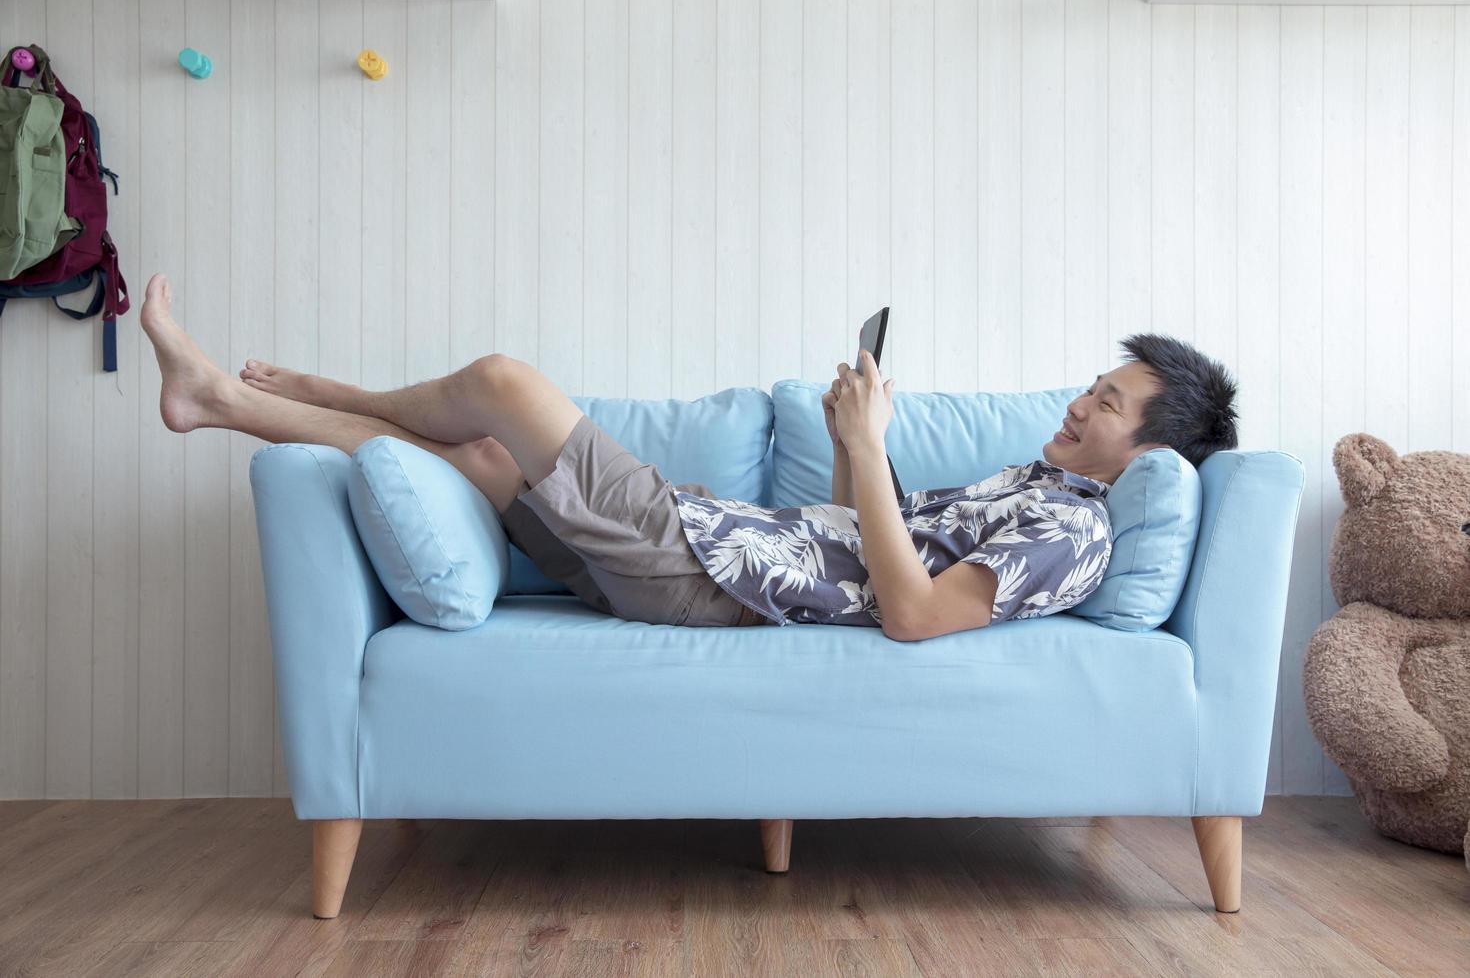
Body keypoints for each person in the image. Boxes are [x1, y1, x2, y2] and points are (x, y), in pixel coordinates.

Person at [138, 271, 1238, 640]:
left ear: (1149, 445)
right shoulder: (1036, 485)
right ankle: (224, 401)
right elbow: (892, 539)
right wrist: (868, 453)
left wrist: (860, 443)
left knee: (506, 383)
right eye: (1094, 385)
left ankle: (326, 388)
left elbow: (911, 613)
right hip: (717, 546)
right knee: (478, 454)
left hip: (710, 573)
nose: (1080, 402)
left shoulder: (1074, 528)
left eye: (1107, 401)